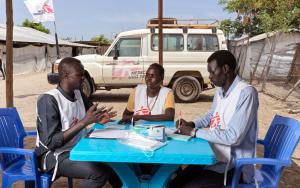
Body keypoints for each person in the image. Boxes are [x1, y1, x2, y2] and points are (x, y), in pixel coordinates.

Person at [169, 50, 259, 188]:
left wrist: (193, 132)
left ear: (225, 69)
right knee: (174, 182)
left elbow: (233, 137)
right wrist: (191, 123)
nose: (209, 77)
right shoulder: (220, 90)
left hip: (233, 166)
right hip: (214, 156)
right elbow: (212, 115)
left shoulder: (246, 93)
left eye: (212, 72)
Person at [35, 57, 121, 188]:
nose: (83, 78)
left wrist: (99, 118)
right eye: (79, 75)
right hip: (54, 156)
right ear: (65, 75)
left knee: (114, 163)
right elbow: (51, 141)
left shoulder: (79, 94)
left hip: (77, 149)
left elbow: (92, 115)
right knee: (99, 173)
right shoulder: (49, 100)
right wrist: (83, 122)